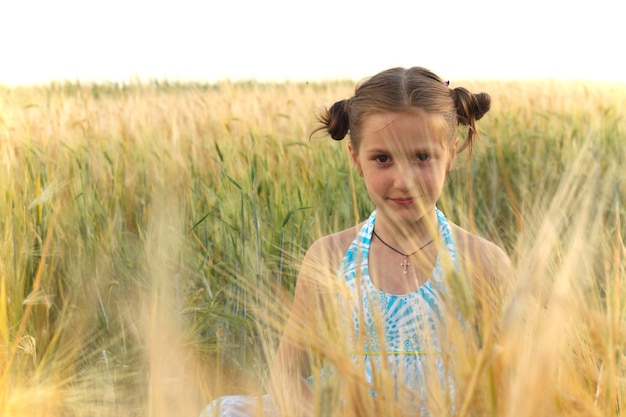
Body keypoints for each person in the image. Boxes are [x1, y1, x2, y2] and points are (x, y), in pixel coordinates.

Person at [201, 66, 512, 417]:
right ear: (356, 159)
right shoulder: (331, 256)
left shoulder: (482, 261)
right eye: (383, 159)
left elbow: (514, 379)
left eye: (422, 157)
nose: (403, 180)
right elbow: (285, 378)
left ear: (451, 154)